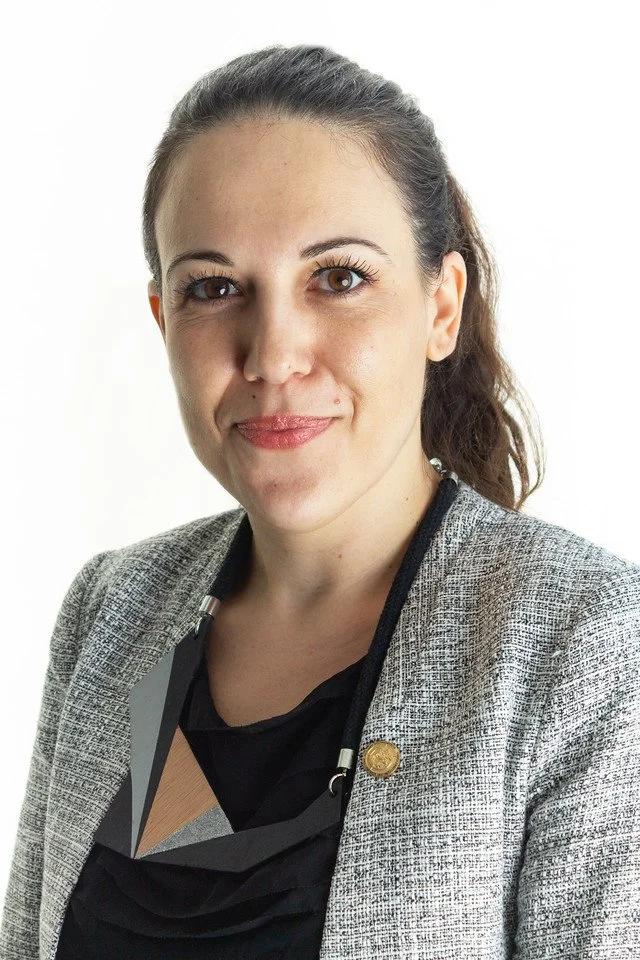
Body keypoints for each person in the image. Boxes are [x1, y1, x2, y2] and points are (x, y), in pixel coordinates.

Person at [1, 43, 638, 960]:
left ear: (440, 306)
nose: (272, 354)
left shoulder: (585, 647)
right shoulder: (113, 614)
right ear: (163, 323)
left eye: (337, 278)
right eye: (214, 288)